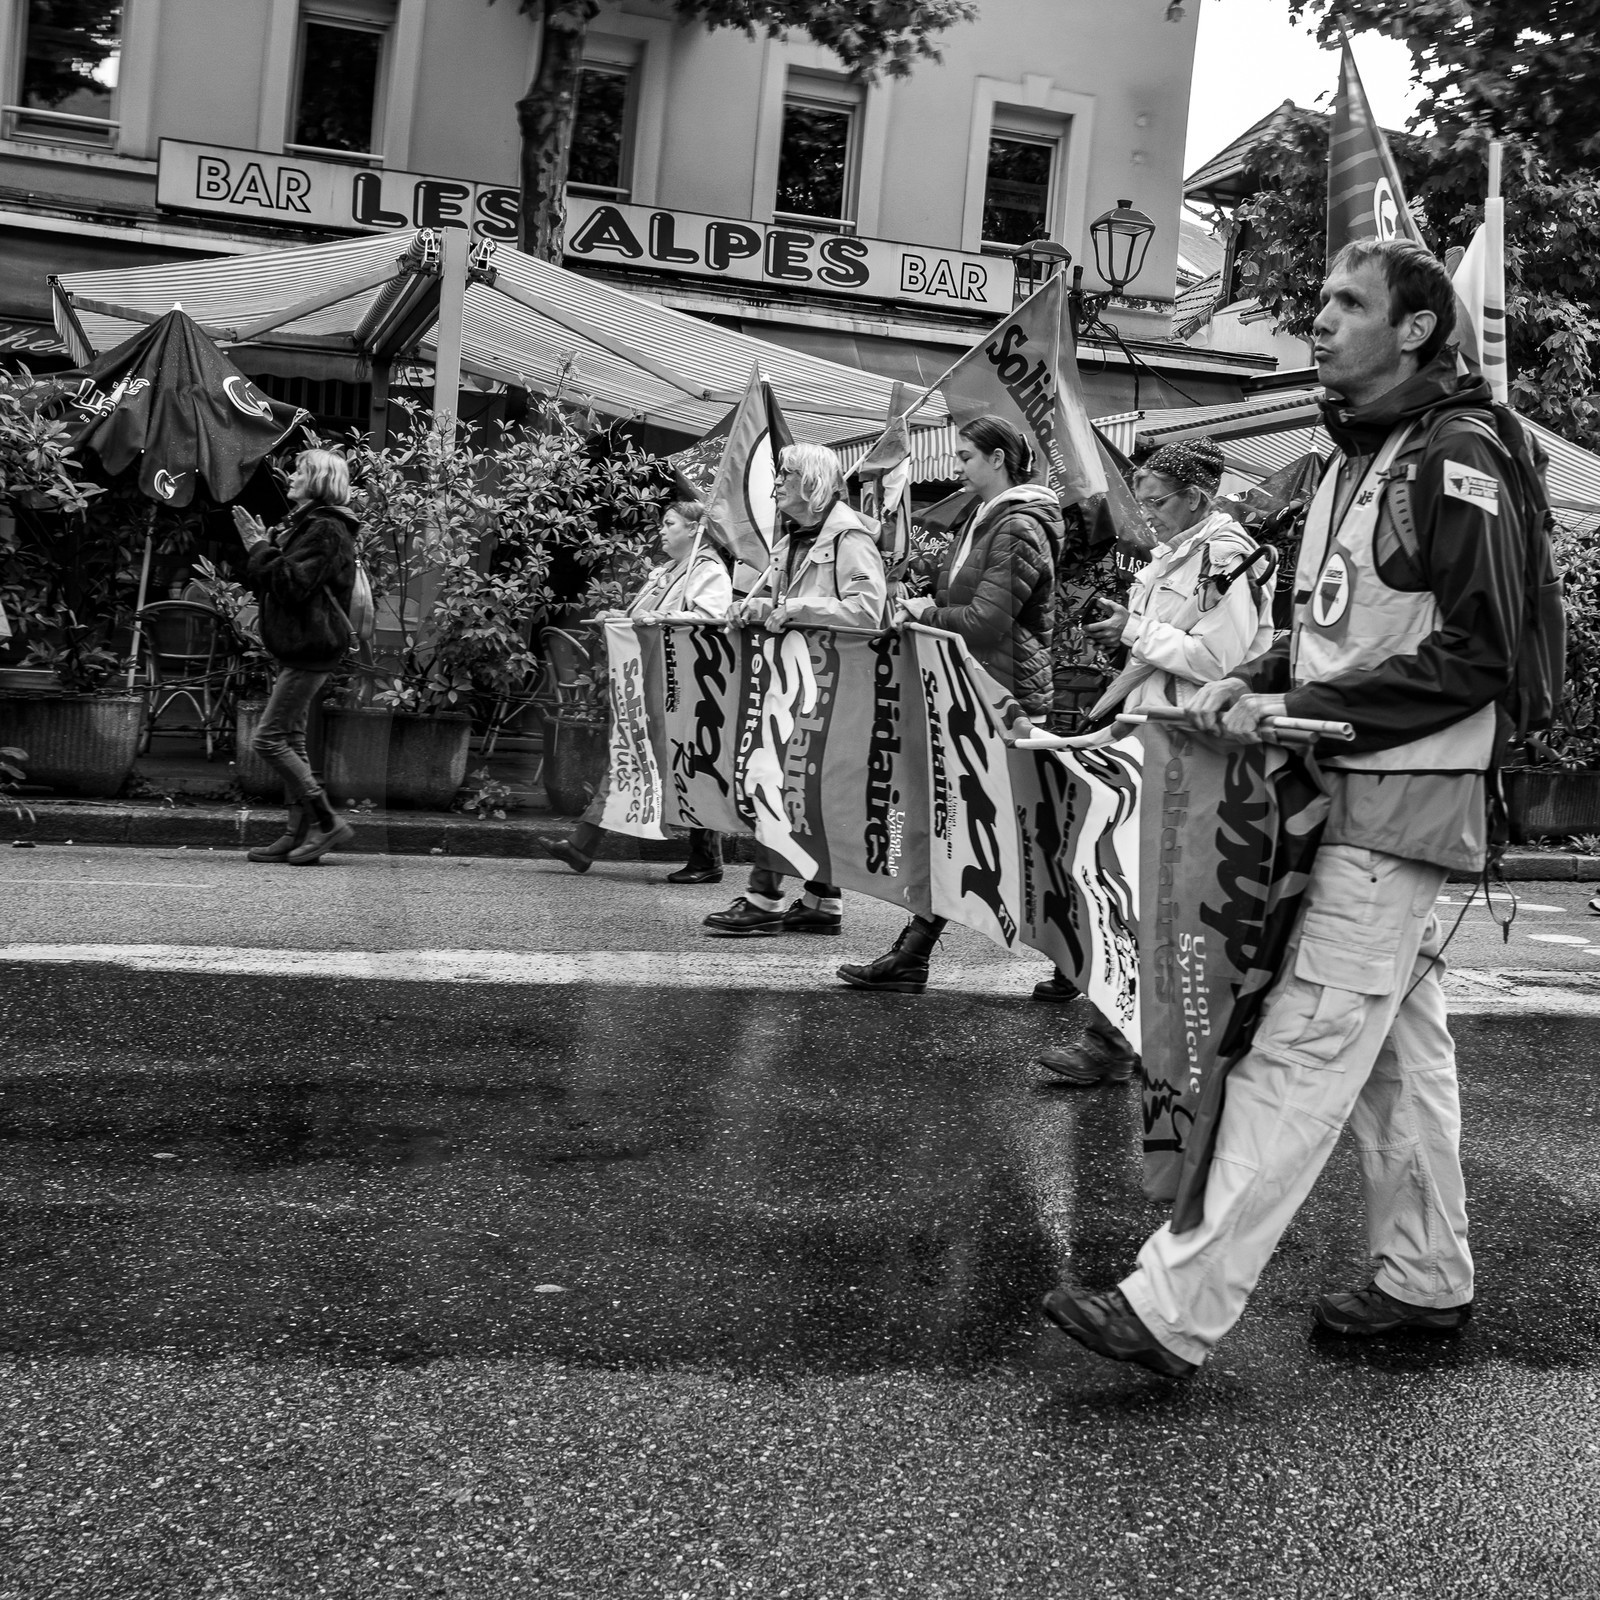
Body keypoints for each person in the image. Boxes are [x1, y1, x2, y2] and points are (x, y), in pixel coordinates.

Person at [1042, 236, 1525, 1377]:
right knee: (1399, 1059)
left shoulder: (1453, 455)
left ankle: (1173, 1308)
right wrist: (1251, 679)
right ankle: (1424, 1276)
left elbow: (1481, 652)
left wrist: (1304, 703)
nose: (1316, 319)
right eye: (1317, 299)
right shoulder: (1357, 458)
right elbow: (1340, 629)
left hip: (1395, 805)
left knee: (1302, 1049)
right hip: (1349, 796)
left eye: (1345, 303)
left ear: (1414, 329)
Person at [1035, 436, 1274, 1086]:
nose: (1149, 514)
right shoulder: (1181, 553)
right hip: (1152, 737)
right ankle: (1139, 1036)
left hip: (1192, 746)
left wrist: (1137, 631)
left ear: (1197, 497)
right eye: (1143, 501)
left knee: (1154, 891)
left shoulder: (1225, 556)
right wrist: (1128, 625)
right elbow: (1170, 642)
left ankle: (1119, 1040)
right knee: (1142, 887)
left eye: (1158, 500)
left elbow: (1216, 660)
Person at [835, 414, 1063, 992]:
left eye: (965, 457)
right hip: (971, 692)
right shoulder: (983, 521)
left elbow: (986, 620)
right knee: (961, 826)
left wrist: (918, 613)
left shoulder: (1017, 527)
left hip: (1001, 695)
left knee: (1015, 833)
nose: (957, 466)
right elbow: (965, 602)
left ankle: (1074, 960)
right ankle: (914, 954)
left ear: (998, 459)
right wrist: (924, 596)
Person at [702, 442, 888, 937]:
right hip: (800, 684)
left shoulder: (850, 539)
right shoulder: (794, 538)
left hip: (832, 688)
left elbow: (868, 612)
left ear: (812, 483)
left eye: (784, 474)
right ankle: (822, 902)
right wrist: (752, 607)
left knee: (781, 783)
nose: (776, 483)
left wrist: (797, 611)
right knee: (803, 788)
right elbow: (776, 599)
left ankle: (764, 898)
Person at [536, 499, 733, 881]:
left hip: (684, 686)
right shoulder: (670, 570)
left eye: (670, 523)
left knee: (676, 762)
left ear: (695, 529)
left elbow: (712, 621)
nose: (662, 529)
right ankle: (582, 846)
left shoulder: (708, 570)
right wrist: (619, 618)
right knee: (636, 757)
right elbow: (641, 616)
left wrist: (663, 618)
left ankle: (706, 858)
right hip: (650, 682)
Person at [232, 449, 360, 867]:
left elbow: (290, 585)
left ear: (319, 481)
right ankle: (295, 833)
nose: (291, 476)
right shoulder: (311, 525)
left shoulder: (326, 529)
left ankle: (327, 822)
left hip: (312, 646)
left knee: (267, 739)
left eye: (300, 471)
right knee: (292, 740)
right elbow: (282, 579)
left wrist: (258, 547)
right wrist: (266, 546)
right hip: (303, 645)